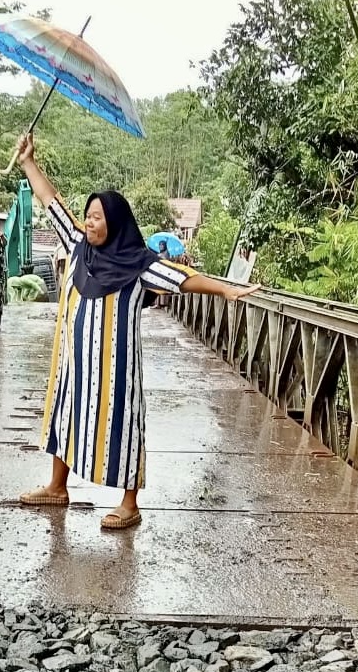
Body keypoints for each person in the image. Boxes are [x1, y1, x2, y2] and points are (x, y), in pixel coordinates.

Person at [15, 133, 260, 530]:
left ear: (115, 223)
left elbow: (183, 279)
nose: (89, 222)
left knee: (121, 426)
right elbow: (51, 202)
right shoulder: (79, 245)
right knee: (65, 415)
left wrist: (227, 289)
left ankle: (129, 504)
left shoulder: (139, 264)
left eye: (97, 217)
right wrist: (29, 162)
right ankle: (58, 486)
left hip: (116, 369)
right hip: (73, 362)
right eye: (88, 215)